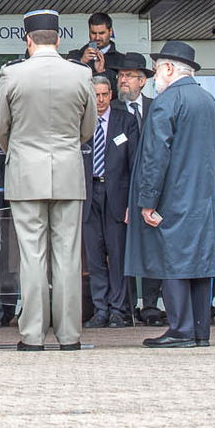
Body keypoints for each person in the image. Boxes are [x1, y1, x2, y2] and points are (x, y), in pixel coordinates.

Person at [0, 10, 94, 351]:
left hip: (25, 173)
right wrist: (66, 149)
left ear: (28, 39)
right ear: (59, 39)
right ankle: (69, 335)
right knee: (68, 256)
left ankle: (32, 335)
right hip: (67, 171)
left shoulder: (12, 74)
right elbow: (88, 127)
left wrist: (16, 150)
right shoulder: (80, 74)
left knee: (31, 256)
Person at [125, 41, 215, 348]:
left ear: (169, 68)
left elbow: (155, 157)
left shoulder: (166, 102)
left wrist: (147, 201)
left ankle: (180, 329)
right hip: (204, 198)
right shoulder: (209, 101)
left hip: (171, 196)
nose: (155, 77)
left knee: (174, 262)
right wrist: (205, 186)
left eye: (156, 70)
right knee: (199, 262)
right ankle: (199, 331)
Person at [82, 75, 139, 329]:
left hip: (117, 194)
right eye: (96, 95)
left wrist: (132, 203)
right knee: (94, 257)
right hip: (88, 193)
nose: (101, 100)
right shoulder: (79, 123)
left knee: (117, 256)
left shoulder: (125, 122)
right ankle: (100, 309)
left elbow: (135, 164)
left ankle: (119, 310)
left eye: (105, 94)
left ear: (111, 95)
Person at [112, 51, 162, 324]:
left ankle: (152, 306)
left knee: (153, 248)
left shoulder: (158, 107)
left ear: (143, 81)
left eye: (129, 76)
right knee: (125, 251)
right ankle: (128, 305)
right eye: (120, 76)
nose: (123, 81)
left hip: (153, 190)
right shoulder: (114, 111)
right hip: (121, 192)